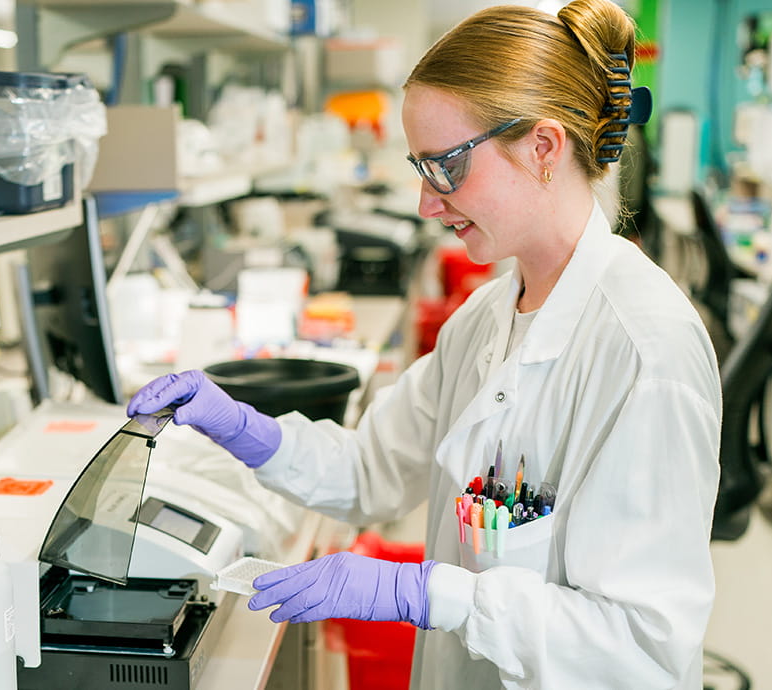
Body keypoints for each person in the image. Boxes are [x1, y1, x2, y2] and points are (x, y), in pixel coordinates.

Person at [127, 0, 722, 687]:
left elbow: (640, 649)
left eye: (447, 166)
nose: (426, 202)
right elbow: (369, 472)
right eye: (421, 167)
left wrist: (428, 593)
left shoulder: (645, 352)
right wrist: (243, 427)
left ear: (543, 148)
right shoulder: (486, 319)